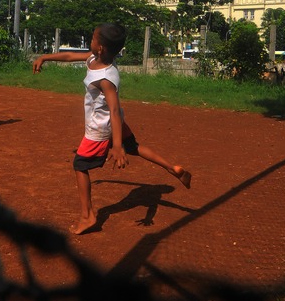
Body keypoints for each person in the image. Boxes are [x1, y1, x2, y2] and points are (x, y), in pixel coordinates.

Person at [32, 23, 191, 235]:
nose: (90, 40)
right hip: (111, 123)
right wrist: (45, 57)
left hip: (100, 128)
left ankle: (88, 216)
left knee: (80, 165)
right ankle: (173, 169)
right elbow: (70, 56)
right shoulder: (95, 59)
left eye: (93, 38)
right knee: (134, 146)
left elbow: (115, 110)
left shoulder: (105, 78)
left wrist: (116, 146)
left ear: (100, 48)